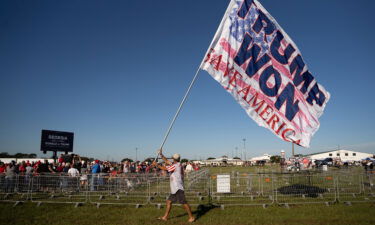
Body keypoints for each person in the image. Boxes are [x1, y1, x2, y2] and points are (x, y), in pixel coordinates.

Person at [152, 149, 195, 223]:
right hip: (175, 188)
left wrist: (156, 165)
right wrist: (161, 155)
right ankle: (165, 217)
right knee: (169, 202)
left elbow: (165, 168)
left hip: (178, 188)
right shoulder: (178, 164)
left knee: (184, 203)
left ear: (173, 159)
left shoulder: (175, 166)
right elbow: (167, 161)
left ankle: (191, 217)